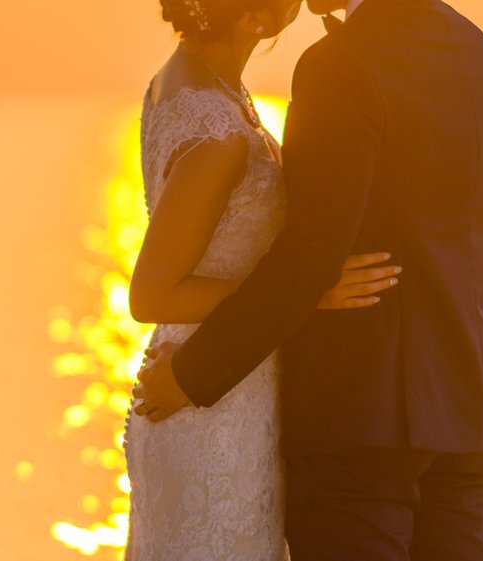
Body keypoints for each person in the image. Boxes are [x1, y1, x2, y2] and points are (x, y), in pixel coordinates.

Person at [134, 0, 483, 560]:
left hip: (361, 417)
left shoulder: (338, 63)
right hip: (468, 405)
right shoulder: (476, 48)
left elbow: (312, 250)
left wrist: (192, 372)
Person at [123, 1, 403, 559]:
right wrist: (308, 294)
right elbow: (151, 293)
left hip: (215, 381)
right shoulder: (218, 137)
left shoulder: (182, 83)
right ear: (251, 19)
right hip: (212, 414)